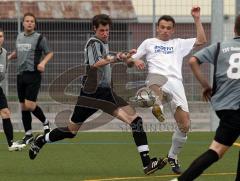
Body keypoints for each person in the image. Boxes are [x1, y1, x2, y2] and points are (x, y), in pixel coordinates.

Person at [28, 14, 167, 175]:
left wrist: (129, 58)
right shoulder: (93, 43)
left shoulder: (104, 44)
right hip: (91, 94)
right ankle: (41, 140)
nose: (105, 33)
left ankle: (147, 164)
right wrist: (118, 58)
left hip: (105, 93)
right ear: (94, 29)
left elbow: (116, 58)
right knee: (71, 131)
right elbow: (96, 63)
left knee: (135, 120)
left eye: (107, 30)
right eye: (102, 30)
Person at [127, 6, 207, 174]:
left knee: (185, 125)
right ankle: (158, 106)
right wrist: (134, 61)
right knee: (155, 84)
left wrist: (197, 18)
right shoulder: (149, 43)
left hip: (176, 83)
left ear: (172, 30)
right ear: (157, 27)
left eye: (168, 28)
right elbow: (130, 60)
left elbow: (201, 40)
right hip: (156, 78)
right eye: (162, 27)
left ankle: (172, 156)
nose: (165, 30)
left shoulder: (178, 44)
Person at [172, 15, 240, 181]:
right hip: (237, 109)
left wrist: (205, 85)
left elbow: (193, 61)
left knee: (217, 149)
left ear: (234, 29)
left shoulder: (220, 47)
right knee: (216, 150)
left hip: (224, 107)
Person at [8, 12, 53, 145]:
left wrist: (43, 63)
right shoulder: (19, 37)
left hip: (33, 74)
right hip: (20, 75)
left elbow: (50, 53)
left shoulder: (39, 38)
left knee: (30, 105)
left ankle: (46, 122)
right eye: (27, 21)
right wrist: (9, 57)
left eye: (32, 21)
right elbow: (18, 52)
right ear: (23, 23)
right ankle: (28, 134)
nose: (29, 23)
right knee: (23, 107)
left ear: (34, 24)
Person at [0, 29, 25, 151]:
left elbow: (3, 72)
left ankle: (11, 144)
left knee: (5, 112)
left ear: (3, 38)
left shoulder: (4, 53)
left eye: (0, 36)